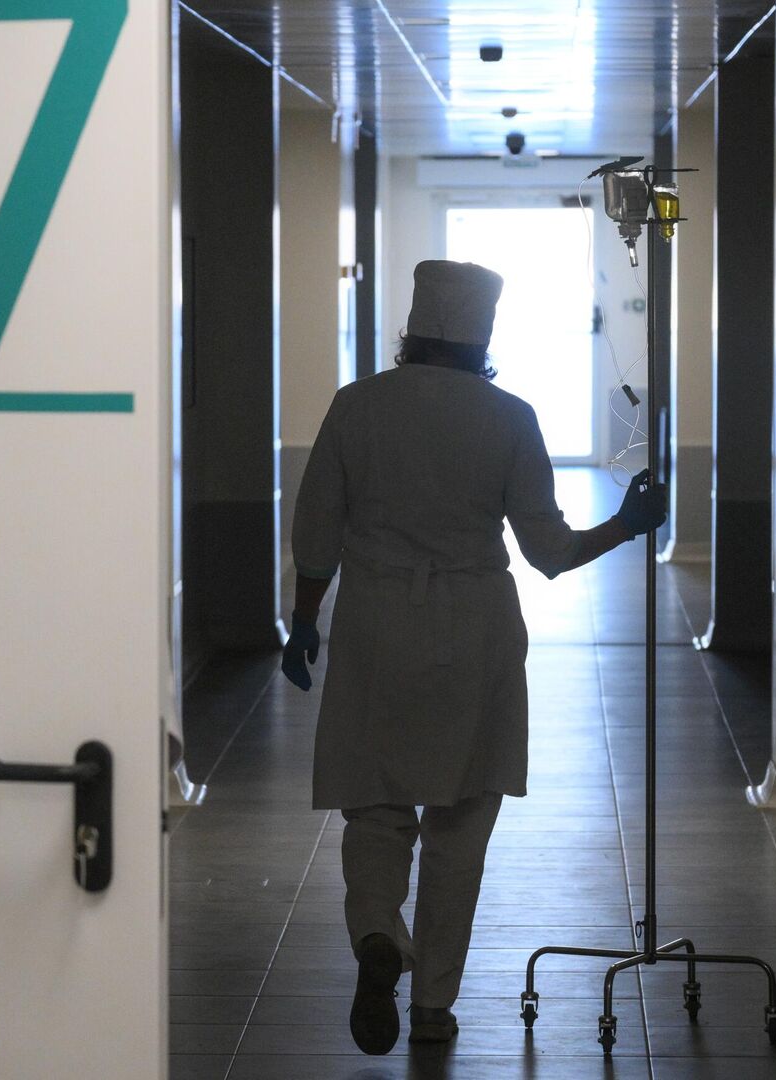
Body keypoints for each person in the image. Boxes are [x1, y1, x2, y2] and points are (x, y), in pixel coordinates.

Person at [282, 259, 668, 1055]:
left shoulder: (357, 406)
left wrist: (302, 620)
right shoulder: (510, 416)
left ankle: (377, 934)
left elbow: (316, 528)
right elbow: (549, 551)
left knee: (376, 807)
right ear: (482, 339)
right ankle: (432, 1004)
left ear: (410, 331)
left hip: (377, 623)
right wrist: (626, 525)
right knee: (460, 822)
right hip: (475, 630)